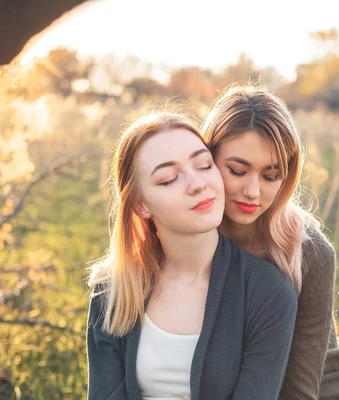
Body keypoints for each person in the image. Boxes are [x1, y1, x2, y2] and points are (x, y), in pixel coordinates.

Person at [86, 111, 298, 400]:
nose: (197, 183)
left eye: (204, 165)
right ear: (141, 205)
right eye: (169, 179)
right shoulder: (112, 289)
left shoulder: (268, 293)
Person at [201, 84, 339, 400]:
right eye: (238, 170)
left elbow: (301, 390)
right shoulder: (187, 233)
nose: (254, 191)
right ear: (207, 160)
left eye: (270, 176)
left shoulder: (309, 252)